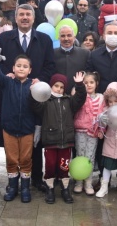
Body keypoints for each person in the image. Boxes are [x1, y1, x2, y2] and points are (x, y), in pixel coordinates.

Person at [0, 3, 55, 193]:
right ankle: (13, 180)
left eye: (28, 15)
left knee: (34, 139)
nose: (24, 18)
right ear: (15, 18)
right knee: (13, 142)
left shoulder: (44, 39)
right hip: (12, 95)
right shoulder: (5, 38)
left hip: (36, 97)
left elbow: (50, 65)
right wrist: (7, 75)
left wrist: (40, 80)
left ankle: (35, 178)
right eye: (21, 14)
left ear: (33, 18)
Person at [32, 73, 86, 204]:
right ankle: (50, 188)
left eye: (62, 87)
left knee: (64, 166)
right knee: (50, 165)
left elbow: (80, 98)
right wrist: (35, 90)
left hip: (66, 142)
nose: (59, 89)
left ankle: (65, 188)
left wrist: (79, 85)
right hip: (50, 140)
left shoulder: (69, 101)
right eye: (56, 86)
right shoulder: (45, 101)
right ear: (51, 86)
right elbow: (34, 104)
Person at [0, 53, 37, 203]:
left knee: (26, 159)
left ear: (30, 70)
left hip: (27, 129)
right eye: (18, 66)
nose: (21, 68)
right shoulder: (7, 82)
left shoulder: (33, 85)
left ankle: (25, 188)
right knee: (11, 159)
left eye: (25, 66)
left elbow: (41, 103)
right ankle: (12, 187)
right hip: (9, 128)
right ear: (13, 68)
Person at [72, 71, 104, 195]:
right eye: (85, 83)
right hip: (80, 131)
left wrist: (101, 130)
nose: (89, 85)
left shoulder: (101, 98)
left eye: (91, 82)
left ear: (97, 83)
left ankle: (88, 182)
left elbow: (103, 116)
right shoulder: (80, 96)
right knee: (80, 156)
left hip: (93, 133)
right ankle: (78, 182)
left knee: (90, 157)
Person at [54, 25, 90, 94]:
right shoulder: (52, 54)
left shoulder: (85, 54)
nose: (66, 39)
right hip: (57, 94)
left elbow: (88, 74)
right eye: (63, 36)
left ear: (74, 38)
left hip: (78, 94)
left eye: (69, 35)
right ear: (59, 38)